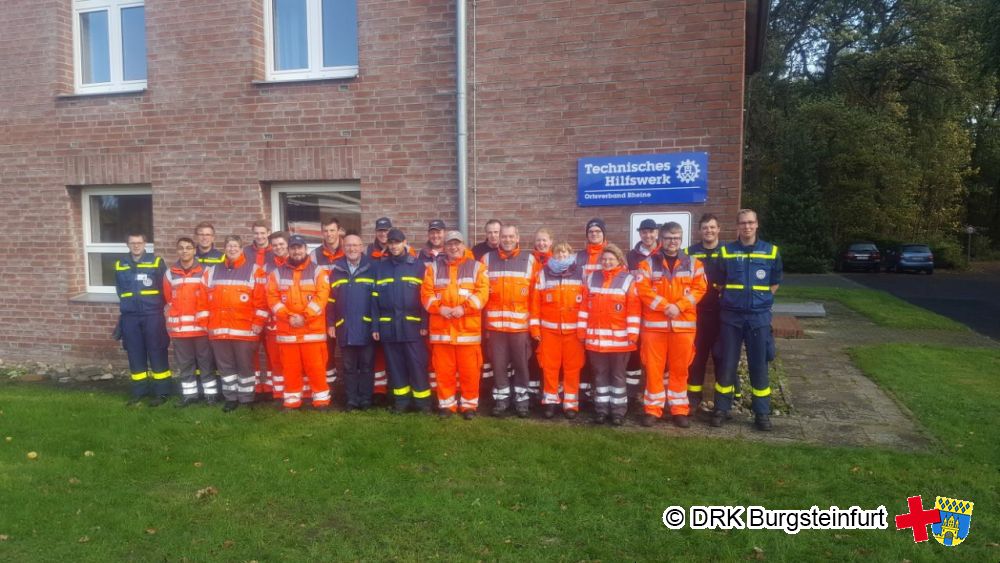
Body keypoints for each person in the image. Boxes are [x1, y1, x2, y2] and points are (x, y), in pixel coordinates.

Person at [712, 209, 783, 431]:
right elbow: (717, 282)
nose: (747, 227)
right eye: (743, 223)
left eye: (751, 222)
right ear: (737, 226)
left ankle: (762, 413)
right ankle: (721, 409)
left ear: (757, 224)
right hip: (731, 316)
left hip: (759, 318)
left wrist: (762, 300)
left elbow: (775, 282)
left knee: (759, 365)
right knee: (726, 364)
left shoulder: (771, 252)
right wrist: (734, 298)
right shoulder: (726, 251)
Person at [636, 222, 707, 428]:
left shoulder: (695, 264)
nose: (672, 241)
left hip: (683, 327)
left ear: (681, 239)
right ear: (661, 239)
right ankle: (653, 409)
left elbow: (699, 289)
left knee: (680, 370)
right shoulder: (648, 263)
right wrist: (666, 306)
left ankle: (679, 409)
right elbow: (643, 290)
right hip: (654, 327)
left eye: (676, 237)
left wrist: (680, 306)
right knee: (653, 369)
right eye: (668, 237)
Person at [421, 230, 489, 419]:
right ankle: (447, 405)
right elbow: (426, 294)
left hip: (468, 332)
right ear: (445, 247)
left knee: (470, 372)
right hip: (442, 331)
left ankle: (469, 406)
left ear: (463, 245)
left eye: (457, 243)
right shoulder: (433, 268)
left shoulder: (477, 267)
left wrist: (464, 309)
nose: (454, 247)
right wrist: (439, 308)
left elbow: (483, 294)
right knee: (444, 371)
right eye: (450, 244)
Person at [267, 235, 332, 410]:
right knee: (290, 369)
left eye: (300, 248)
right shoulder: (276, 273)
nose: (297, 251)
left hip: (312, 332)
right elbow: (272, 300)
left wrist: (304, 316)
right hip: (287, 333)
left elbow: (322, 297)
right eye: (293, 248)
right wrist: (288, 317)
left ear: (306, 249)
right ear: (289, 250)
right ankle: (292, 400)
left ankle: (321, 400)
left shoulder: (319, 272)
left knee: (316, 368)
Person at [578, 243, 640, 426]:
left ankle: (618, 411)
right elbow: (583, 309)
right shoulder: (590, 279)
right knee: (599, 375)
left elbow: (634, 310)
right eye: (604, 259)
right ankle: (601, 409)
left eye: (611, 259)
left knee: (618, 376)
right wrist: (582, 331)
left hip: (621, 342)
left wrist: (633, 335)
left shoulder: (628, 280)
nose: (607, 262)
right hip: (596, 340)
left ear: (619, 260)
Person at [205, 235, 268, 412]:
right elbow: (203, 300)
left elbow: (262, 301)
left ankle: (247, 398)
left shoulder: (255, 270)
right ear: (224, 249)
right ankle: (230, 397)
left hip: (244, 330)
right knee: (225, 367)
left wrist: (258, 322)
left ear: (242, 249)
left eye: (235, 246)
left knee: (245, 366)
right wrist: (206, 322)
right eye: (229, 246)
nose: (232, 249)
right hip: (218, 330)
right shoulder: (212, 270)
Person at [372, 229, 432, 413]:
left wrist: (424, 324)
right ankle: (401, 402)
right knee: (395, 366)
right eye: (390, 243)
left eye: (397, 242)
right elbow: (374, 299)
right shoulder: (380, 267)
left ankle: (422, 403)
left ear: (405, 243)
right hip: (388, 326)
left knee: (417, 364)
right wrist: (375, 325)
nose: (393, 246)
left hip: (412, 326)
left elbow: (426, 297)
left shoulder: (418, 266)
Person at [481, 224, 537, 417]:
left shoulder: (530, 260)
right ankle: (502, 399)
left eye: (510, 236)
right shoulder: (487, 260)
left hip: (520, 328)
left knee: (522, 364)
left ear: (517, 237)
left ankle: (522, 400)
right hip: (496, 327)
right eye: (504, 236)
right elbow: (481, 291)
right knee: (499, 364)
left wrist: (533, 326)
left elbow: (535, 296)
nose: (507, 240)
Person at [530, 242, 585, 419]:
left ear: (571, 254)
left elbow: (587, 303)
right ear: (553, 255)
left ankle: (570, 404)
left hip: (574, 333)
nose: (561, 255)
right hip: (549, 332)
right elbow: (535, 303)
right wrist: (535, 328)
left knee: (572, 368)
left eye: (565, 252)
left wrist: (584, 329)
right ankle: (550, 402)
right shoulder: (543, 273)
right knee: (549, 368)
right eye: (558, 252)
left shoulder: (581, 273)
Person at [116, 232, 171, 406]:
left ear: (145, 244)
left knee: (157, 351)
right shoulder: (120, 265)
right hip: (130, 317)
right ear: (127, 245)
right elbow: (120, 290)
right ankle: (140, 391)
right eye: (132, 243)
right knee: (134, 353)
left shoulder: (156, 262)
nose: (136, 246)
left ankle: (162, 392)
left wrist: (155, 306)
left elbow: (165, 289)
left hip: (152, 315)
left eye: (139, 242)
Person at [327, 235, 377, 411]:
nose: (352, 249)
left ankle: (365, 399)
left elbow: (377, 301)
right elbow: (331, 300)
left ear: (362, 247)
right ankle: (351, 400)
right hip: (345, 327)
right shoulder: (337, 269)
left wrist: (376, 325)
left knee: (366, 366)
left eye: (355, 245)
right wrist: (331, 323)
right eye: (348, 245)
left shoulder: (372, 268)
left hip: (366, 327)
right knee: (348, 367)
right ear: (343, 247)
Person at [163, 237, 215, 407]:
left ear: (194, 250)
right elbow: (169, 298)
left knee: (206, 362)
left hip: (201, 328)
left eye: (188, 248)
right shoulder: (170, 273)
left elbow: (210, 297)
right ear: (177, 251)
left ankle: (210, 395)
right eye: (181, 248)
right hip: (180, 330)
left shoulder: (206, 271)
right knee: (185, 365)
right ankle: (190, 395)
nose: (184, 251)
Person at [685, 213, 728, 413]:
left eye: (712, 227)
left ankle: (723, 403)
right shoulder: (688, 253)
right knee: (697, 357)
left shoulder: (728, 252)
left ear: (718, 229)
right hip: (698, 313)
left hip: (722, 314)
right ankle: (693, 398)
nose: (709, 231)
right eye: (705, 228)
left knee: (721, 356)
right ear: (700, 231)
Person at [626, 218, 660, 406]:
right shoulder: (631, 256)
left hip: (658, 315)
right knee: (634, 355)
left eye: (651, 231)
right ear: (639, 234)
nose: (648, 235)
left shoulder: (664, 254)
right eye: (644, 232)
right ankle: (632, 396)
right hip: (636, 313)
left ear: (657, 233)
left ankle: (659, 398)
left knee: (656, 358)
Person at [309, 217, 345, 391]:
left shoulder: (350, 250)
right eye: (326, 231)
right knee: (327, 351)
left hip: (346, 307)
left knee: (348, 348)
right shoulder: (314, 255)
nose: (329, 234)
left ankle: (348, 386)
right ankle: (329, 387)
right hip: (324, 309)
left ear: (339, 231)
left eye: (332, 230)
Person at [244, 219, 274, 398]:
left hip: (271, 308)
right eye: (256, 233)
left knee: (271, 351)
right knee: (251, 350)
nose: (260, 236)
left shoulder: (276, 251)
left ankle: (271, 386)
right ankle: (254, 386)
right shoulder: (246, 252)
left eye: (263, 233)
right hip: (251, 308)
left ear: (268, 232)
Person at [366, 217, 394, 404]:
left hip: (392, 306)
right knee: (377, 354)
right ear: (375, 232)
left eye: (386, 230)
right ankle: (379, 390)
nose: (383, 234)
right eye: (380, 231)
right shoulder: (368, 251)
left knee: (393, 352)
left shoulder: (401, 249)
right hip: (373, 303)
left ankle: (395, 388)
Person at [261, 231, 291, 401]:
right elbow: (262, 295)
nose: (279, 248)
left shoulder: (296, 264)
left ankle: (296, 391)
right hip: (273, 321)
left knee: (293, 360)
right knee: (276, 360)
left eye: (282, 244)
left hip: (293, 321)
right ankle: (279, 393)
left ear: (287, 244)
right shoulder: (266, 268)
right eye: (275, 245)